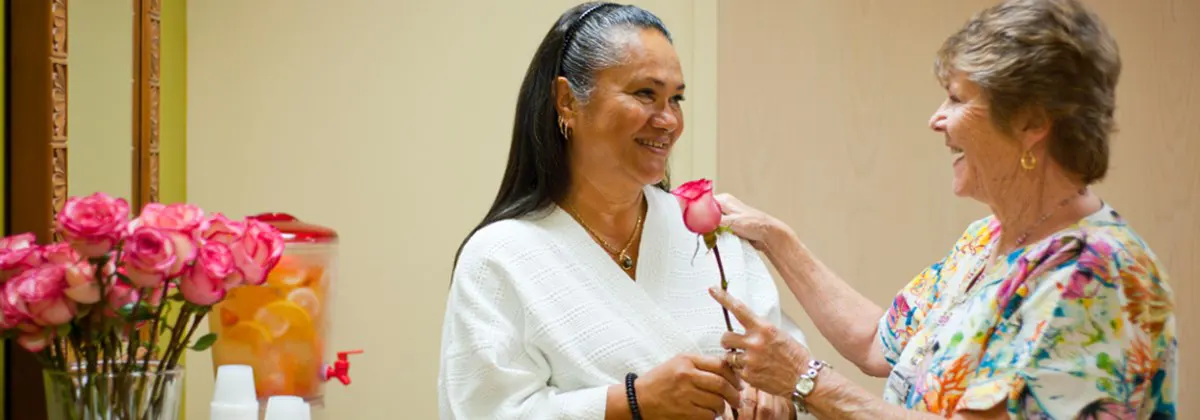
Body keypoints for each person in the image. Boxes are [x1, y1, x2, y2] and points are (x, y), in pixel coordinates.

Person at [706, 0, 1177, 419]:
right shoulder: (987, 238)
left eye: (956, 99)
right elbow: (877, 342)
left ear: (1031, 121)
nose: (937, 119)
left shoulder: (1097, 273)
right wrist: (776, 239)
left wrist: (805, 379)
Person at [438, 3, 809, 419]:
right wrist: (631, 401)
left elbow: (796, 370)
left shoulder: (710, 233)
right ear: (567, 101)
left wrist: (782, 397)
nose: (669, 121)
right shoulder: (499, 258)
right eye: (645, 94)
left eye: (676, 99)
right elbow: (485, 410)